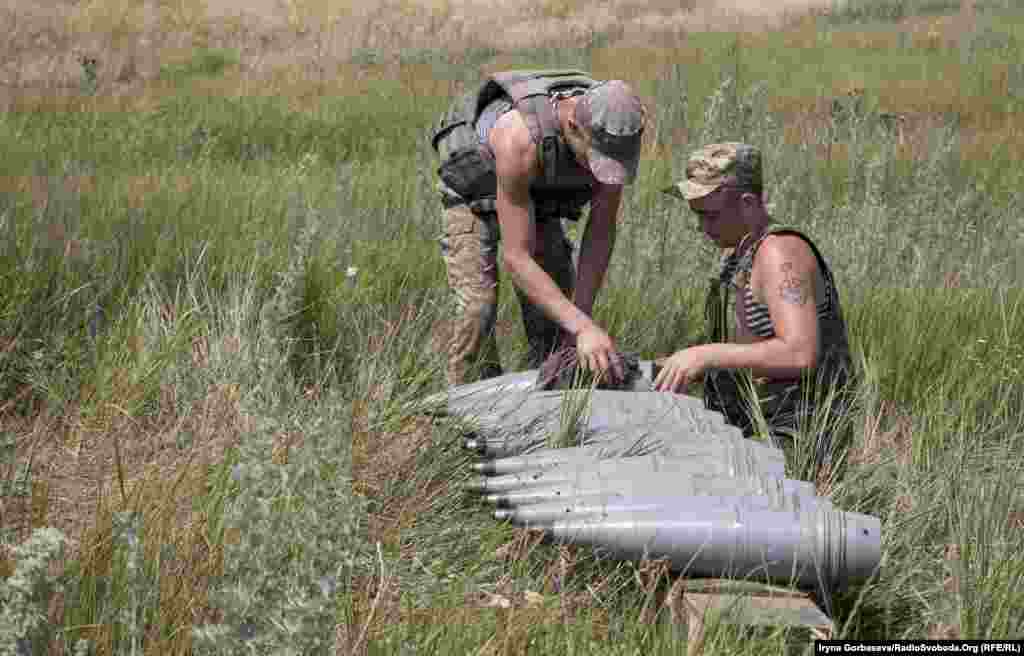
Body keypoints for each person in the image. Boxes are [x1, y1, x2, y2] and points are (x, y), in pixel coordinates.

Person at [430, 70, 646, 388]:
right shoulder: (519, 137)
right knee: (477, 310)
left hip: (537, 197)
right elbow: (517, 257)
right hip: (475, 193)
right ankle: (466, 412)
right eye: (594, 160)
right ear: (573, 127)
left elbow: (600, 232)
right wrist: (583, 328)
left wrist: (580, 319)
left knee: (558, 320)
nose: (600, 172)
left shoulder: (614, 138)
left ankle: (551, 404)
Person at [656, 143, 854, 447]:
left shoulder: (778, 252)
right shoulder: (741, 255)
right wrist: (679, 365)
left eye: (710, 215)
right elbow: (752, 350)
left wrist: (705, 356)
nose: (701, 226)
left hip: (798, 435)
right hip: (760, 427)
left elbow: (799, 353)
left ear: (748, 204)